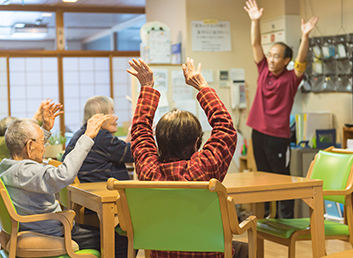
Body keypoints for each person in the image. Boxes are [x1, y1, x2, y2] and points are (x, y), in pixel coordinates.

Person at [127, 57, 247, 258]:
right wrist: (202, 87)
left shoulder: (149, 170)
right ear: (196, 142)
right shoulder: (203, 169)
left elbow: (139, 131)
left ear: (158, 142)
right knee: (244, 249)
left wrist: (147, 87)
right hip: (207, 254)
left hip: (162, 253)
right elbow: (225, 129)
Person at [0, 102, 129, 257]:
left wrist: (45, 130)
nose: (45, 146)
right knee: (122, 241)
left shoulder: (8, 167)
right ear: (29, 146)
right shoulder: (26, 171)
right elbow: (63, 175)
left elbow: (31, 154)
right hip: (53, 231)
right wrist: (87, 137)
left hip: (38, 226)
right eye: (43, 142)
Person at [244, 0, 318, 218]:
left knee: (282, 178)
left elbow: (301, 59)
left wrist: (305, 36)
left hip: (278, 137)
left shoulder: (291, 78)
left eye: (277, 56)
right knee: (262, 177)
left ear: (286, 60)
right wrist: (255, 21)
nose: (272, 59)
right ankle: (267, 216)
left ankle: (285, 220)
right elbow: (255, 44)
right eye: (270, 55)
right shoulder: (263, 70)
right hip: (257, 132)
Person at [63, 95, 134, 182]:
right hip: (103, 191)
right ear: (99, 116)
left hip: (82, 191)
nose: (116, 117)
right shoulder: (102, 137)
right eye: (111, 113)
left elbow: (116, 152)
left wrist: (129, 139)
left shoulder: (79, 134)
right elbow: (134, 155)